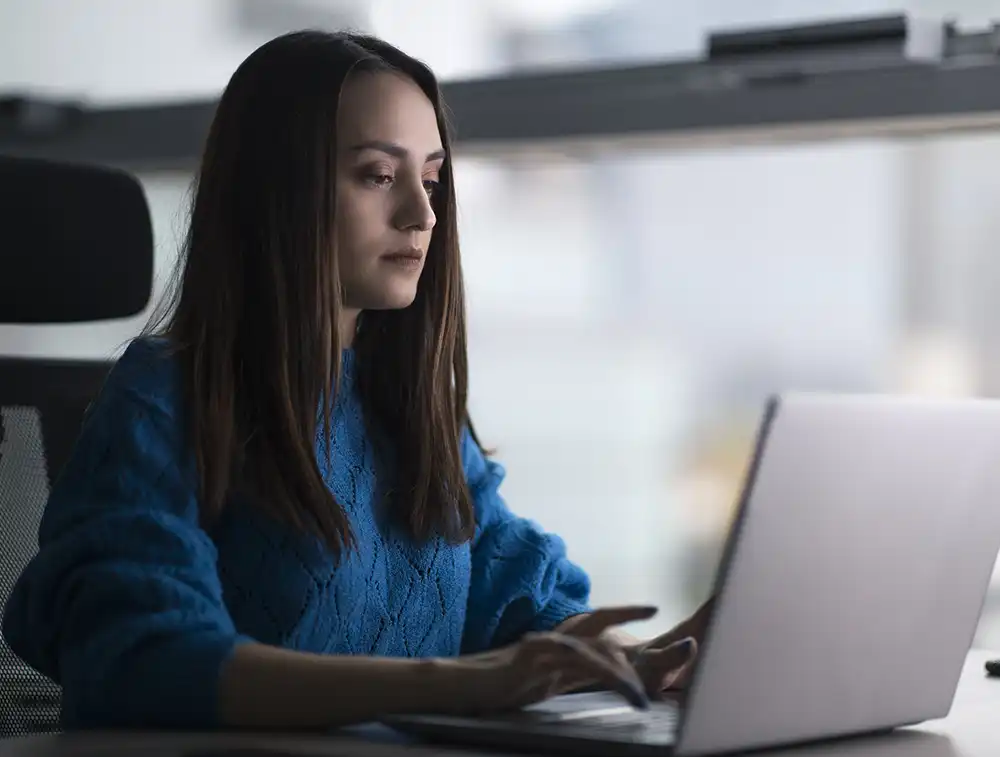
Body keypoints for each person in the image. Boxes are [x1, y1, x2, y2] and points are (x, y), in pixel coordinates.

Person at [2, 30, 711, 731]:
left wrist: (650, 657)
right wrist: (455, 684)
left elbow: (524, 602)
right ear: (281, 191)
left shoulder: (405, 405)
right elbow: (154, 657)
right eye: (379, 175)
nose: (422, 214)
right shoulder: (162, 400)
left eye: (430, 178)